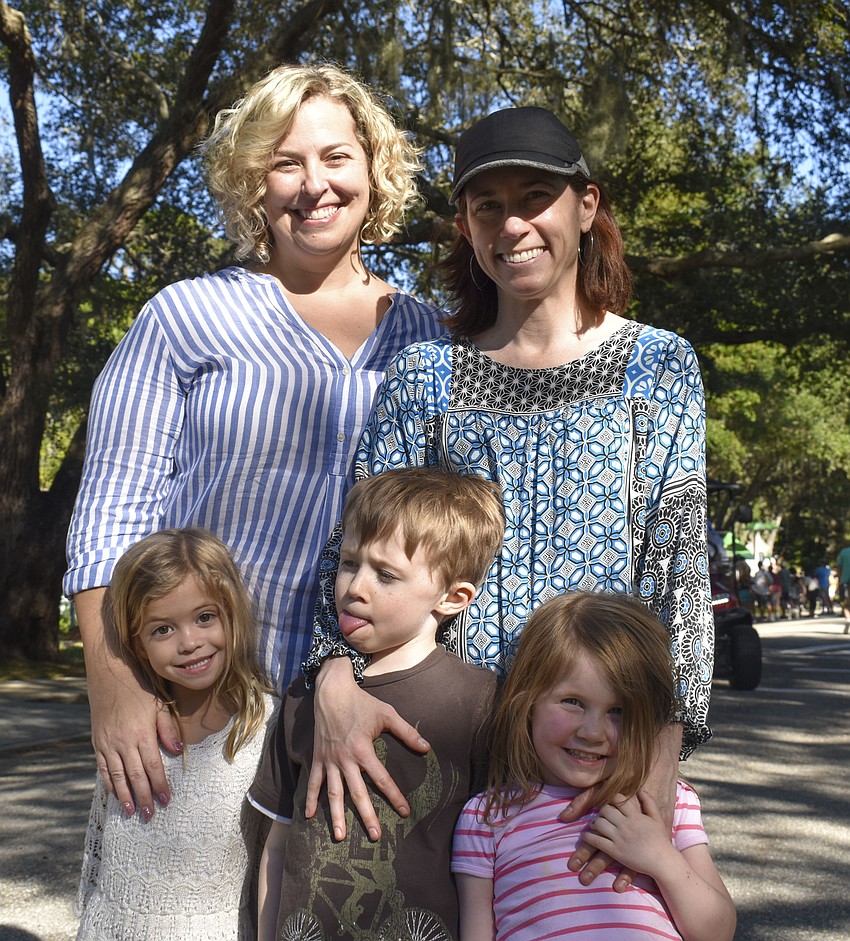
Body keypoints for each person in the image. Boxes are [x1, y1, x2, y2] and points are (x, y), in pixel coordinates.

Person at [304, 107, 713, 876]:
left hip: (596, 760)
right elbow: (357, 546)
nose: (513, 224)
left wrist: (660, 762)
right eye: (488, 206)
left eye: (534, 198)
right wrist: (332, 677)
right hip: (441, 748)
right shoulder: (425, 375)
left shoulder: (658, 365)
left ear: (585, 206)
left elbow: (678, 574)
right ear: (465, 225)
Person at [63, 63, 445, 820]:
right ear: (252, 182)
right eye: (285, 162)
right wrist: (115, 688)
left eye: (336, 156)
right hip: (197, 714)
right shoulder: (185, 317)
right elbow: (111, 515)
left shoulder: (432, 339)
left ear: (373, 169)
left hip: (365, 721)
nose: (314, 183)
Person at [249, 468, 505, 940]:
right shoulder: (305, 698)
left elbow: (490, 863)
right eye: (349, 563)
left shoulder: (483, 704)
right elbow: (278, 845)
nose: (355, 587)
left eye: (386, 575)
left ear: (453, 597)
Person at [451, 591, 736, 941]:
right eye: (572, 702)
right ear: (527, 702)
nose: (592, 733)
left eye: (618, 711)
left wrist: (662, 858)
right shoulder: (486, 817)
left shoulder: (668, 803)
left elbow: (718, 932)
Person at [75, 529, 276, 940]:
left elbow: (273, 860)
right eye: (163, 629)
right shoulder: (130, 727)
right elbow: (103, 852)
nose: (189, 643)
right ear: (137, 644)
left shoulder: (266, 726)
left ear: (232, 613)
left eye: (205, 618)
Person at [837, 545, 850, 633]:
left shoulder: (843, 552)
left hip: (845, 580)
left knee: (846, 602)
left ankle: (848, 619)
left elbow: (839, 567)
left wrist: (839, 580)